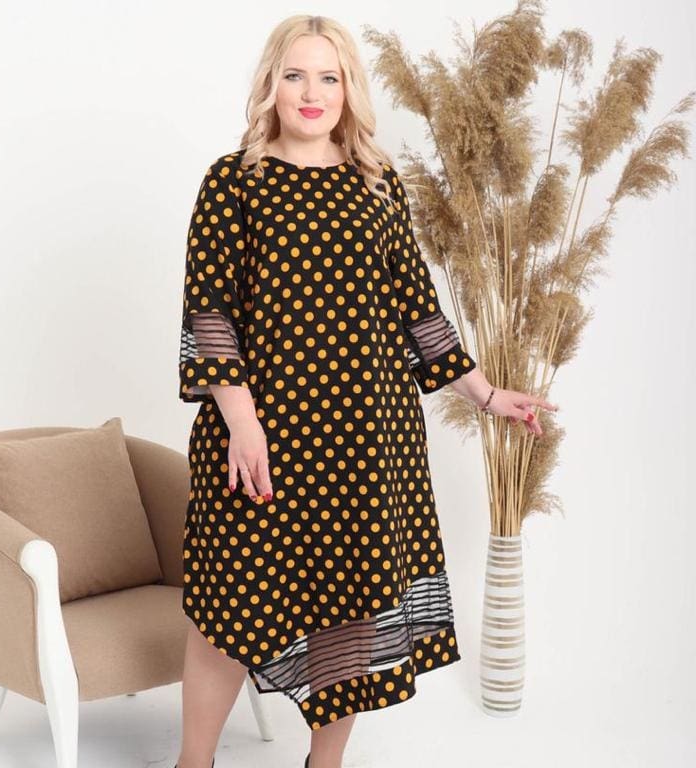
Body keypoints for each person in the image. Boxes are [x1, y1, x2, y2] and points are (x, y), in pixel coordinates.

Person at [175, 14, 558, 768]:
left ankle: (325, 764)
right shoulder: (234, 181)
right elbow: (210, 313)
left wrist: (486, 395)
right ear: (271, 84)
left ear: (349, 89)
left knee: (355, 608)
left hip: (366, 438)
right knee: (229, 608)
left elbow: (416, 307)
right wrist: (243, 425)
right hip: (262, 435)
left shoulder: (376, 185)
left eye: (329, 77)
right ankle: (195, 762)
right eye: (295, 75)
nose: (310, 92)